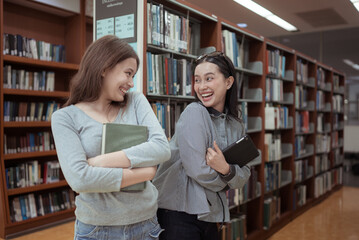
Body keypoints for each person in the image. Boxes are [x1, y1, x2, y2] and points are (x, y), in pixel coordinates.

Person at [51, 35, 171, 240]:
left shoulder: (136, 101)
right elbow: (80, 179)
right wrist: (145, 172)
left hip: (146, 224)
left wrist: (101, 161)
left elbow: (162, 148)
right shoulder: (65, 118)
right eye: (128, 73)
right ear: (104, 67)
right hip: (96, 230)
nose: (131, 83)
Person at [152, 51, 251, 240]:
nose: (202, 87)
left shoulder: (236, 124)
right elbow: (198, 170)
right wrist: (229, 176)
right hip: (178, 213)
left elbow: (245, 174)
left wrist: (225, 169)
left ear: (228, 82)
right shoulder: (194, 113)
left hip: (210, 213)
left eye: (209, 79)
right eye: (197, 80)